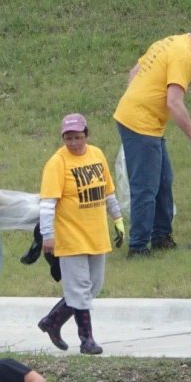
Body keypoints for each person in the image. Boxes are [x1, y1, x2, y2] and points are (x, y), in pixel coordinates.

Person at [112, 18, 191, 257]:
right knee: (145, 187)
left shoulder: (170, 41)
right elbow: (174, 103)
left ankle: (161, 236)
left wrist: (135, 100)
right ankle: (138, 247)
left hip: (145, 122)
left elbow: (135, 72)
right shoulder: (183, 56)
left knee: (163, 180)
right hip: (140, 125)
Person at [36, 114, 125, 355]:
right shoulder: (57, 163)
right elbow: (47, 204)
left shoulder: (96, 155)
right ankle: (87, 340)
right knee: (79, 289)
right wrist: (48, 235)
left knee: (93, 287)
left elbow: (108, 193)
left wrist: (117, 219)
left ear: (87, 135)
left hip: (96, 234)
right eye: (68, 138)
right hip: (70, 236)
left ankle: (52, 321)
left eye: (78, 137)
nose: (73, 142)